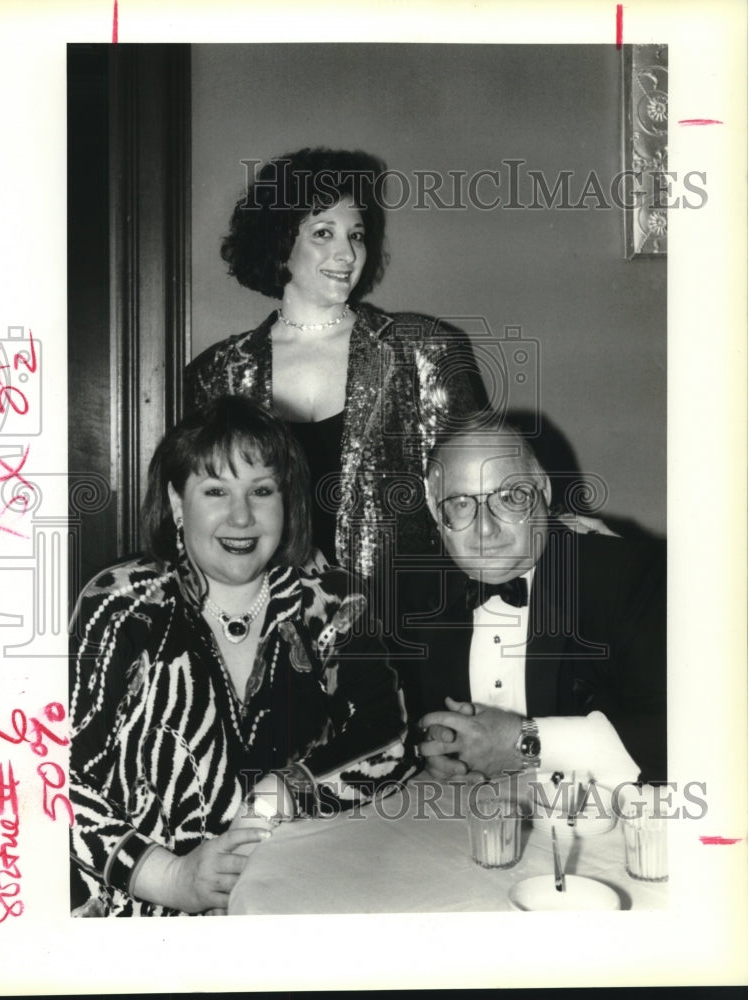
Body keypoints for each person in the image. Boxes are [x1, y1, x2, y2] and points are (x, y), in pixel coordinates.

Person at [69, 395, 416, 917]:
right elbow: (53, 779)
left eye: (261, 490)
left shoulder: (332, 600)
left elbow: (390, 739)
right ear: (177, 503)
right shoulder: (119, 606)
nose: (241, 516)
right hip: (139, 924)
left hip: (293, 903)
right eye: (215, 490)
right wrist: (171, 877)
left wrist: (285, 790)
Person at [185, 147, 490, 582]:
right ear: (279, 244)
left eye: (357, 235)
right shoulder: (217, 373)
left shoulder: (421, 348)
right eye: (323, 233)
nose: (347, 254)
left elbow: (487, 477)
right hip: (268, 624)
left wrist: (558, 530)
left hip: (403, 624)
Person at [395, 418, 666, 787]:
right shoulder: (409, 591)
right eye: (460, 503)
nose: (485, 528)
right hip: (457, 821)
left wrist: (526, 743)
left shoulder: (626, 575)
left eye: (511, 497)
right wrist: (426, 746)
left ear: (545, 491)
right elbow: (381, 721)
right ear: (434, 512)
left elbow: (690, 732)